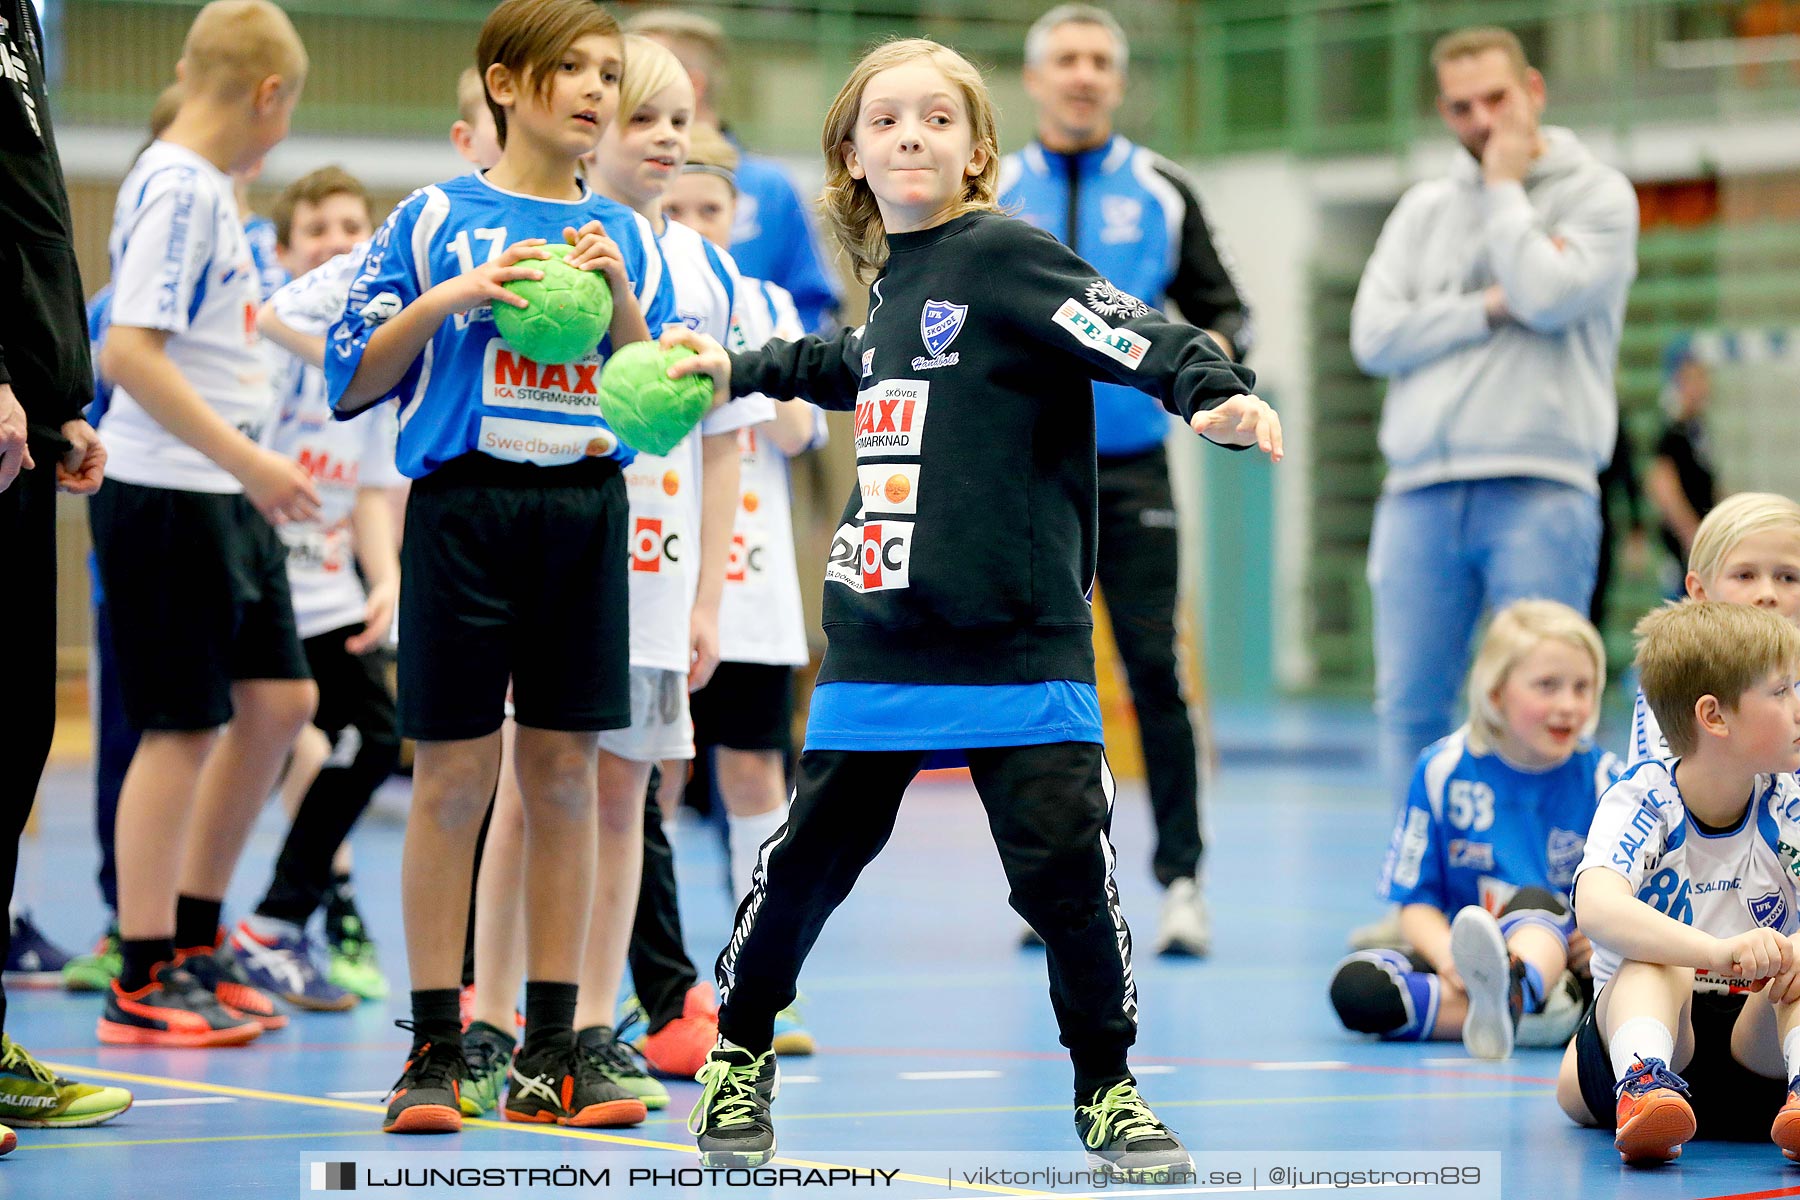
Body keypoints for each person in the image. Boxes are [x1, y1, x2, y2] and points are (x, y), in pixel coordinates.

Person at [665, 37, 1279, 1178]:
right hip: (884, 639)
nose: (911, 135)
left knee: (1064, 878)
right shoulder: (901, 283)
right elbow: (854, 361)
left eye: (937, 119)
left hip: (1020, 644)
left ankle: (1110, 1089)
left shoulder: (1004, 254)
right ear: (851, 155)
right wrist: (738, 366)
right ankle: (739, 1055)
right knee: (804, 867)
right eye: (886, 120)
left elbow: (1126, 327)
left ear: (978, 149)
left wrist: (1210, 391)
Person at [326, 0, 676, 1135]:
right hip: (463, 508)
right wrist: (455, 299)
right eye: (570, 67)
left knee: (565, 778)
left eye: (608, 72)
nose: (592, 89)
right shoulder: (435, 217)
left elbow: (657, 401)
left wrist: (619, 295)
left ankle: (557, 1046)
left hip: (583, 506)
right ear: (505, 82)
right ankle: (435, 1043)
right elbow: (353, 373)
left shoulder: (627, 231)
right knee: (454, 778)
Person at [462, 36, 769, 1120]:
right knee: (524, 793)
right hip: (556, 550)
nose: (667, 139)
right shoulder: (556, 251)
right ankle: (489, 1014)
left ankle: (596, 1021)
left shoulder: (709, 271)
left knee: (622, 797)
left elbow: (724, 439)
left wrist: (706, 598)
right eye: (645, 117)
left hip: (654, 574)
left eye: (680, 120)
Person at [1349, 25, 1638, 947]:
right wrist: (1484, 307)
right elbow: (1372, 335)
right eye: (1462, 108)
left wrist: (1509, 192)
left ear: (1534, 91)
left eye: (1496, 101)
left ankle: (1558, 920)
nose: (1481, 123)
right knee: (1409, 703)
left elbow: (1550, 294)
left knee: (1550, 701)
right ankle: (1417, 912)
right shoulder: (1423, 209)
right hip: (1422, 486)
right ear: (1444, 111)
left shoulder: (1598, 195)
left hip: (1542, 482)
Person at [999, 4, 1251, 956]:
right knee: (1035, 683)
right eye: (1066, 58)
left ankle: (1182, 881)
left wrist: (1219, 370)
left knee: (1155, 672)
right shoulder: (994, 189)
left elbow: (1225, 310)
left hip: (1135, 466)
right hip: (1022, 477)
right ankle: (1055, 884)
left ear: (1117, 78)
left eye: (1101, 60)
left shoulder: (1161, 190)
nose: (1084, 74)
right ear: (1035, 78)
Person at [91, 0, 317, 1048]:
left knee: (278, 699)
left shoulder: (216, 193)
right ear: (269, 95)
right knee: (181, 726)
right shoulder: (179, 187)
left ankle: (191, 933)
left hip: (224, 490)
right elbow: (126, 354)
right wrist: (254, 463)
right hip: (175, 488)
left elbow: (236, 332)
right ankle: (142, 969)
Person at [658, 122, 828, 1059]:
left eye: (708, 210)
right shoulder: (631, 298)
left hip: (751, 582)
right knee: (654, 776)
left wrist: (772, 374)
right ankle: (659, 983)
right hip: (657, 570)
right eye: (674, 207)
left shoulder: (760, 302)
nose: (690, 221)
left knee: (755, 770)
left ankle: (758, 984)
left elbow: (804, 437)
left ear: (736, 220)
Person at [0, 0, 132, 1151]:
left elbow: (24, 214)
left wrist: (55, 398)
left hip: (24, 430)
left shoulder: (21, 19)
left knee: (18, 735)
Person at [226, 166, 400, 1012]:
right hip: (256, 579)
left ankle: (277, 919)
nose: (336, 243)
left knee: (376, 732)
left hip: (328, 587)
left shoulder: (372, 363)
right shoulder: (265, 343)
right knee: (276, 739)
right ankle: (182, 934)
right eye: (318, 229)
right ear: (290, 249)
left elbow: (370, 490)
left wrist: (387, 574)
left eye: (351, 230)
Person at [1558, 600, 1800, 1164]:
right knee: (1652, 958)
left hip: (1758, 1062)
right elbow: (1596, 907)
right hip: (1665, 1037)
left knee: (1797, 971)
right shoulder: (1644, 799)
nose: (1799, 706)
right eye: (1783, 691)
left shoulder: (1788, 802)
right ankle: (1643, 1086)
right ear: (1714, 717)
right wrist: (1714, 952)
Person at [1329, 600, 1620, 1059]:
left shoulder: (1608, 780)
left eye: (1582, 687)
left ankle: (1520, 992)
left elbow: (1637, 894)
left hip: (1565, 960)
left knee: (1534, 902)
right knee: (1358, 986)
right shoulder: (1442, 770)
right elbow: (1416, 903)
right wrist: (1451, 961)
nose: (1569, 705)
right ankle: (1528, 1016)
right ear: (1497, 692)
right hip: (1465, 962)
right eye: (1548, 686)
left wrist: (1604, 932)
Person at [624, 9, 841, 332]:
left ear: (691, 85)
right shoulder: (611, 175)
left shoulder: (769, 187)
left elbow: (812, 309)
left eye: (632, 75)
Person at [1628, 492, 1800, 763]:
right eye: (1745, 575)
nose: (1767, 593)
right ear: (1700, 591)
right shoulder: (1678, 678)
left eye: (1788, 577)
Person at [1644, 343, 1717, 590]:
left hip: (1703, 536)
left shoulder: (1697, 428)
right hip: (1685, 544)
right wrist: (1690, 532)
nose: (1704, 386)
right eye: (1695, 379)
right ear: (1680, 382)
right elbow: (1661, 484)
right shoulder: (1672, 428)